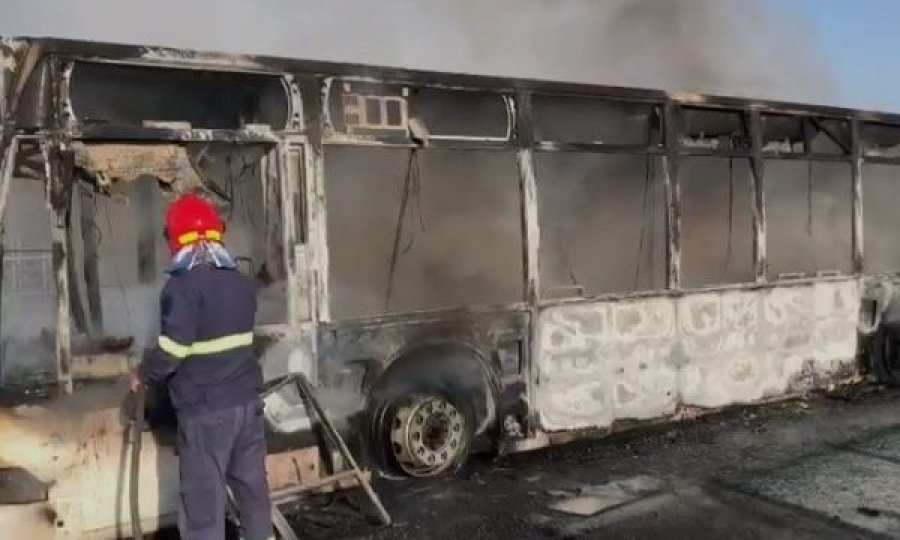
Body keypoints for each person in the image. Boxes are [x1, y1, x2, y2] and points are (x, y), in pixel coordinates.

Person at [130, 192, 272, 540]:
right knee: (253, 492)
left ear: (175, 238)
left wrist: (142, 373)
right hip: (247, 405)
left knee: (202, 508)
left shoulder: (181, 288)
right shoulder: (240, 282)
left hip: (208, 413)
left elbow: (173, 349)